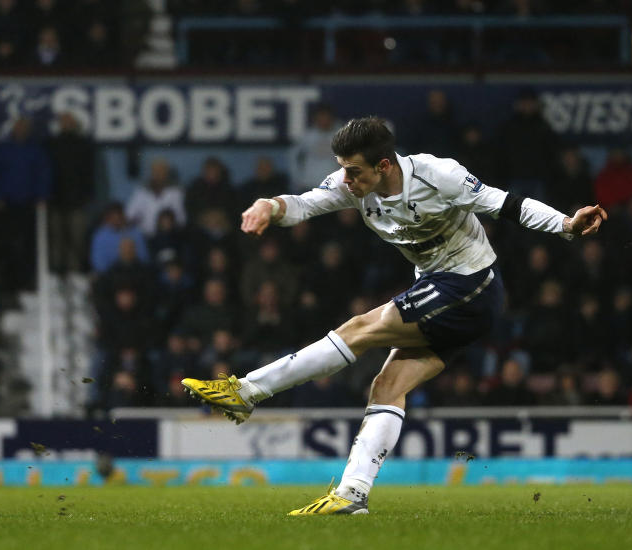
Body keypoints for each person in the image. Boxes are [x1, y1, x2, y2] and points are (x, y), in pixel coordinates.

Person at [181, 117, 606, 515]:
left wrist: (566, 224)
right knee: (386, 385)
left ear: (384, 166)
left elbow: (507, 205)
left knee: (361, 328)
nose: (346, 181)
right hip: (440, 290)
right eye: (343, 170)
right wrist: (267, 206)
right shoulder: (353, 184)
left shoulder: (438, 175)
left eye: (354, 172)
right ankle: (353, 494)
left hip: (470, 286)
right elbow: (303, 204)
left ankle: (247, 392)